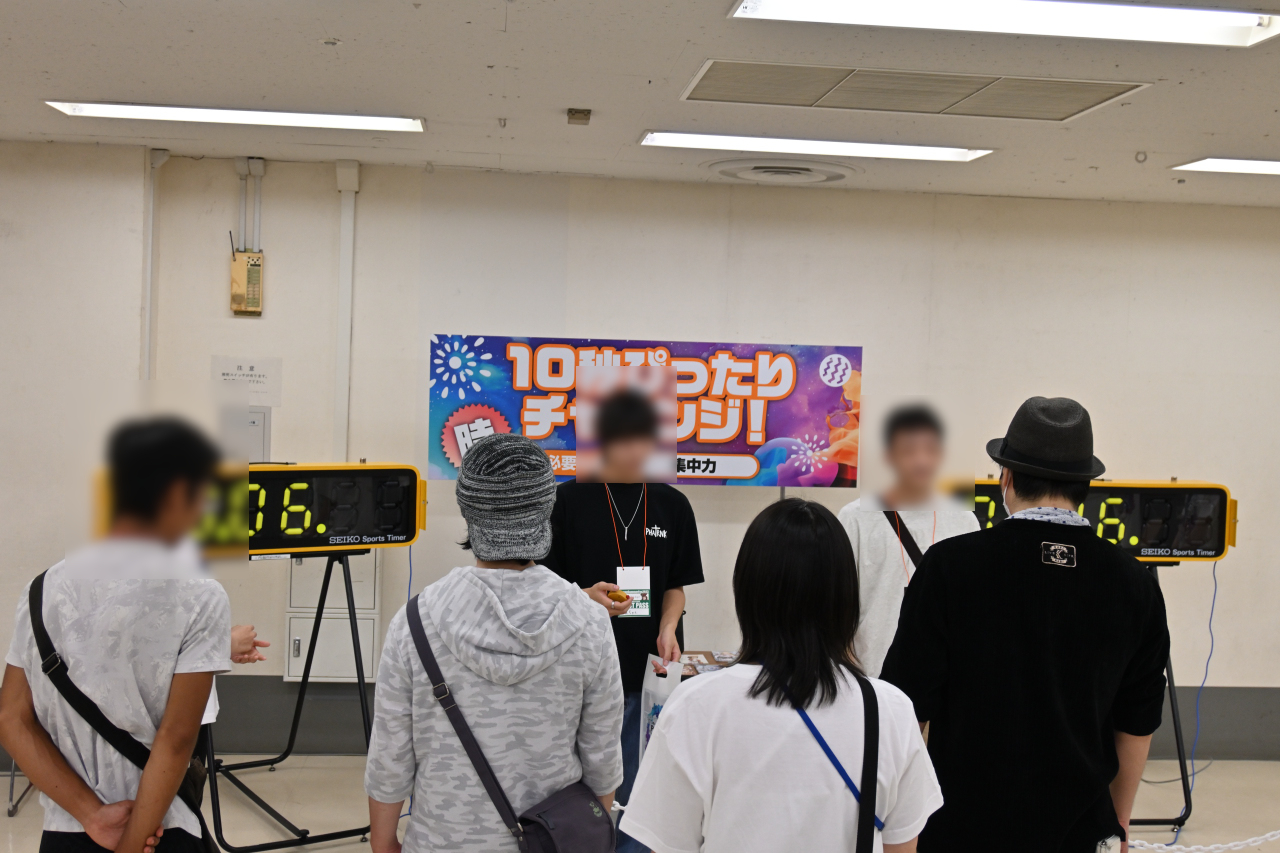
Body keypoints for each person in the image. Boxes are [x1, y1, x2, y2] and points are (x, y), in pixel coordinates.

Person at [881, 397, 1171, 853]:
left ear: (1007, 479)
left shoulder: (951, 567)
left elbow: (907, 705)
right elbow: (1137, 721)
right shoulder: (1134, 583)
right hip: (1079, 828)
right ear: (1085, 486)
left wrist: (900, 823)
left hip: (961, 826)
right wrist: (1118, 820)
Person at [621, 498, 942, 853]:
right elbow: (901, 845)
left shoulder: (695, 706)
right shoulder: (890, 710)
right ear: (845, 596)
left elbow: (668, 843)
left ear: (746, 590)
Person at [365, 433, 624, 853]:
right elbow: (602, 756)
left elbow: (390, 753)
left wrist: (382, 842)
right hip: (552, 841)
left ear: (467, 509)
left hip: (440, 843)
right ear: (547, 508)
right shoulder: (589, 620)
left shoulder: (415, 620)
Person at [0, 417, 232, 853]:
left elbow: (11, 718)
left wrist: (91, 814)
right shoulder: (201, 596)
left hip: (70, 828)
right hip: (158, 828)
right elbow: (176, 740)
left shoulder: (40, 591)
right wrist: (129, 844)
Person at [542, 389, 704, 853]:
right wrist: (584, 598)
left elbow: (675, 585)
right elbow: (543, 587)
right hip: (579, 666)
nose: (636, 450)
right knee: (583, 782)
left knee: (642, 780)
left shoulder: (672, 505)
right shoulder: (565, 501)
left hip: (648, 667)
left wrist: (669, 625)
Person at [838, 405, 979, 677]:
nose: (921, 460)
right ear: (888, 456)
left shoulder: (964, 520)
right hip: (871, 677)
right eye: (909, 450)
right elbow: (835, 607)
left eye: (931, 449)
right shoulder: (854, 517)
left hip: (942, 681)